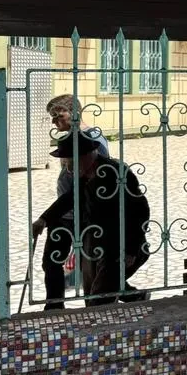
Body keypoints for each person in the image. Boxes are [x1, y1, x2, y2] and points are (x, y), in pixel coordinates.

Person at [32, 130, 151, 306]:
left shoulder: (115, 172)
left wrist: (131, 250)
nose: (68, 168)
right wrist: (43, 220)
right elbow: (71, 198)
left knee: (99, 300)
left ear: (85, 156)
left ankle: (123, 305)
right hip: (97, 245)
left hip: (120, 247)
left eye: (70, 161)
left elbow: (140, 210)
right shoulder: (85, 175)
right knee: (93, 298)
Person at [41, 94, 110, 310]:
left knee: (89, 264)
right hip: (64, 213)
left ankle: (119, 298)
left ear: (75, 113)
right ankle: (54, 308)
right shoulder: (70, 138)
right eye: (52, 117)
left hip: (82, 214)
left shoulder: (92, 139)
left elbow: (94, 181)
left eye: (58, 115)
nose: (54, 121)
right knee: (52, 262)